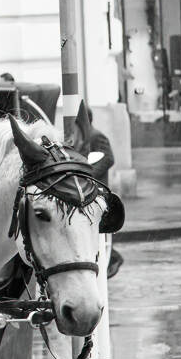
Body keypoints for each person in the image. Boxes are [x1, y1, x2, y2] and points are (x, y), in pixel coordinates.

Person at [74, 102, 122, 277]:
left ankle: (113, 258)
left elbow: (108, 158)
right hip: (84, 189)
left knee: (99, 231)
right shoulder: (78, 138)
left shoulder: (96, 136)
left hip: (96, 188)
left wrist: (88, 173)